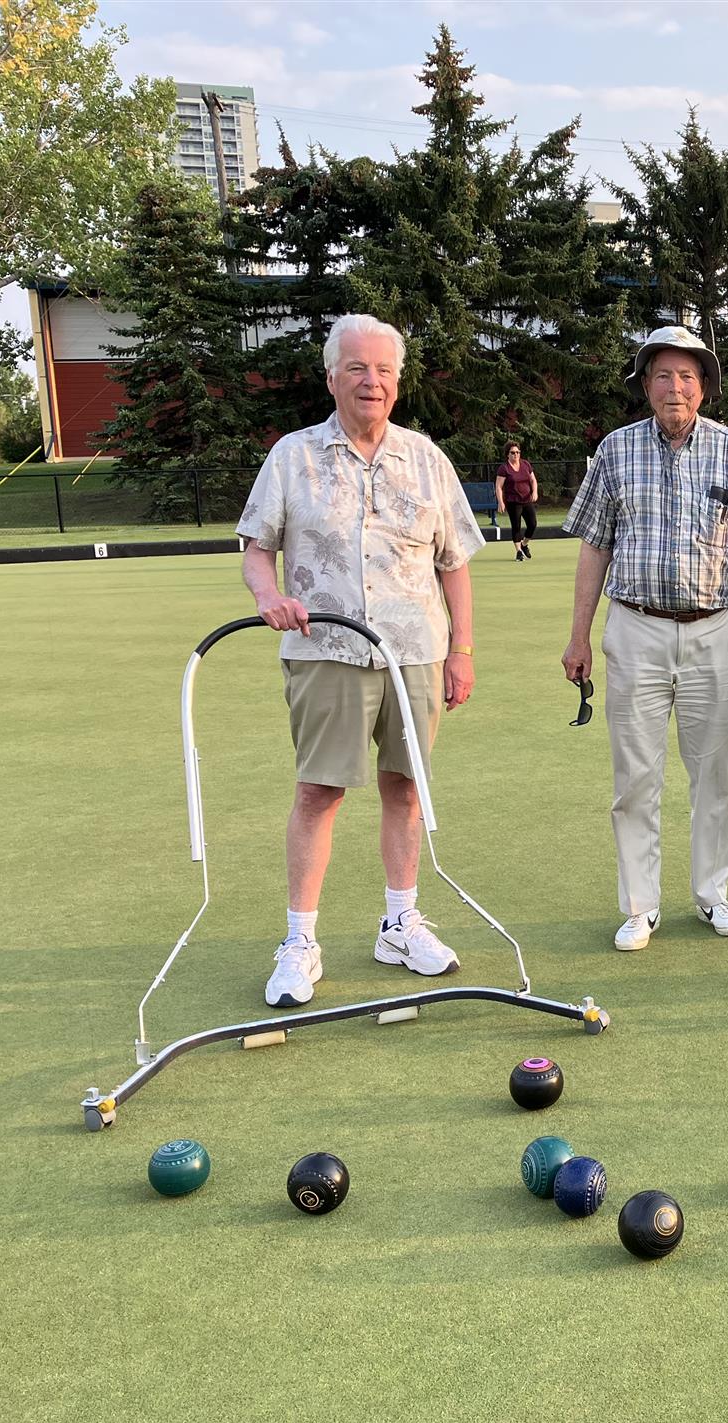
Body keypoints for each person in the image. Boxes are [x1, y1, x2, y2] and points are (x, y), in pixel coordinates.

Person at [235, 314, 486, 1007]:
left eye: (382, 370)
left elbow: (455, 563)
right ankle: (299, 939)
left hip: (416, 654)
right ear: (331, 377)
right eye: (356, 368)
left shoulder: (427, 458)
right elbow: (257, 546)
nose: (370, 381)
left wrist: (461, 650)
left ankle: (399, 922)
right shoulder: (293, 455)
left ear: (397, 383)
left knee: (406, 787)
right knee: (320, 791)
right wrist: (268, 593)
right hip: (327, 650)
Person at [561, 326, 728, 951]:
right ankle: (639, 905)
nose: (675, 387)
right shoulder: (614, 450)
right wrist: (578, 635)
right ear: (646, 384)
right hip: (634, 628)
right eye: (663, 375)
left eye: (687, 376)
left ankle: (713, 894)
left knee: (715, 774)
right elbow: (594, 545)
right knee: (635, 777)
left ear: (704, 386)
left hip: (716, 629)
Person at [496, 441, 540, 560]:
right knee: (516, 526)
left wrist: (534, 491)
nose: (516, 455)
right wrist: (500, 501)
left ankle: (524, 544)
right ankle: (519, 552)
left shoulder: (525, 464)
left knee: (533, 524)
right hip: (513, 501)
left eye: (518, 452)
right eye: (513, 453)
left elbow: (533, 480)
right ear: (507, 454)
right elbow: (499, 486)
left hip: (526, 499)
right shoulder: (504, 468)